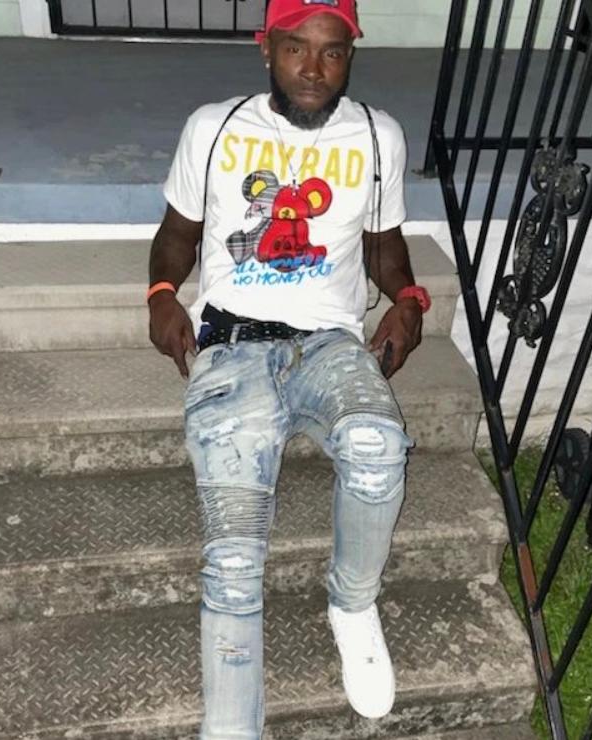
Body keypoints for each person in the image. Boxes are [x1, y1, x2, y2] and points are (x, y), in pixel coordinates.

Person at [147, 1, 430, 737]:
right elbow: (178, 232)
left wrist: (408, 299)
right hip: (231, 346)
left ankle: (353, 603)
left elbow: (384, 244)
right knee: (233, 561)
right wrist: (161, 294)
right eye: (296, 48)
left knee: (378, 447)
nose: (313, 69)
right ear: (265, 47)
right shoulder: (214, 128)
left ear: (350, 56)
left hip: (329, 345)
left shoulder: (378, 135)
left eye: (332, 52)